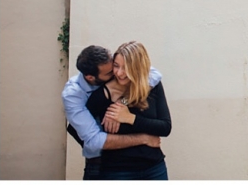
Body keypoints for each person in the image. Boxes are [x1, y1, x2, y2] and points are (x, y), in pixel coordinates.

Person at [62, 45, 163, 180]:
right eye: (110, 73)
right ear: (91, 77)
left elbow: (153, 74)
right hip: (99, 163)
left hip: (143, 163)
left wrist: (122, 102)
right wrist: (143, 139)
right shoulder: (73, 95)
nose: (117, 73)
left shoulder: (114, 71)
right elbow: (94, 141)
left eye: (114, 66)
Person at [87, 41, 172, 180]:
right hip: (118, 171)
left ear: (137, 68)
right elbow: (79, 132)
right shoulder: (104, 94)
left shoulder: (150, 86)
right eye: (116, 66)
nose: (119, 73)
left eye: (126, 68)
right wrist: (142, 139)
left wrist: (129, 118)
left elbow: (165, 127)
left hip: (154, 168)